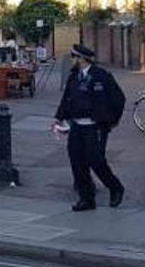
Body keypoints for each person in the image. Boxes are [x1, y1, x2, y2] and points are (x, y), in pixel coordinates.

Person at [52, 44, 125, 211]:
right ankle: (86, 198)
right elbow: (67, 98)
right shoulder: (74, 76)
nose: (72, 60)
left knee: (96, 161)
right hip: (77, 126)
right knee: (77, 162)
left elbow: (118, 99)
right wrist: (59, 117)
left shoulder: (101, 76)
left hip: (95, 127)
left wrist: (111, 120)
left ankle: (115, 187)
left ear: (82, 59)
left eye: (74, 57)